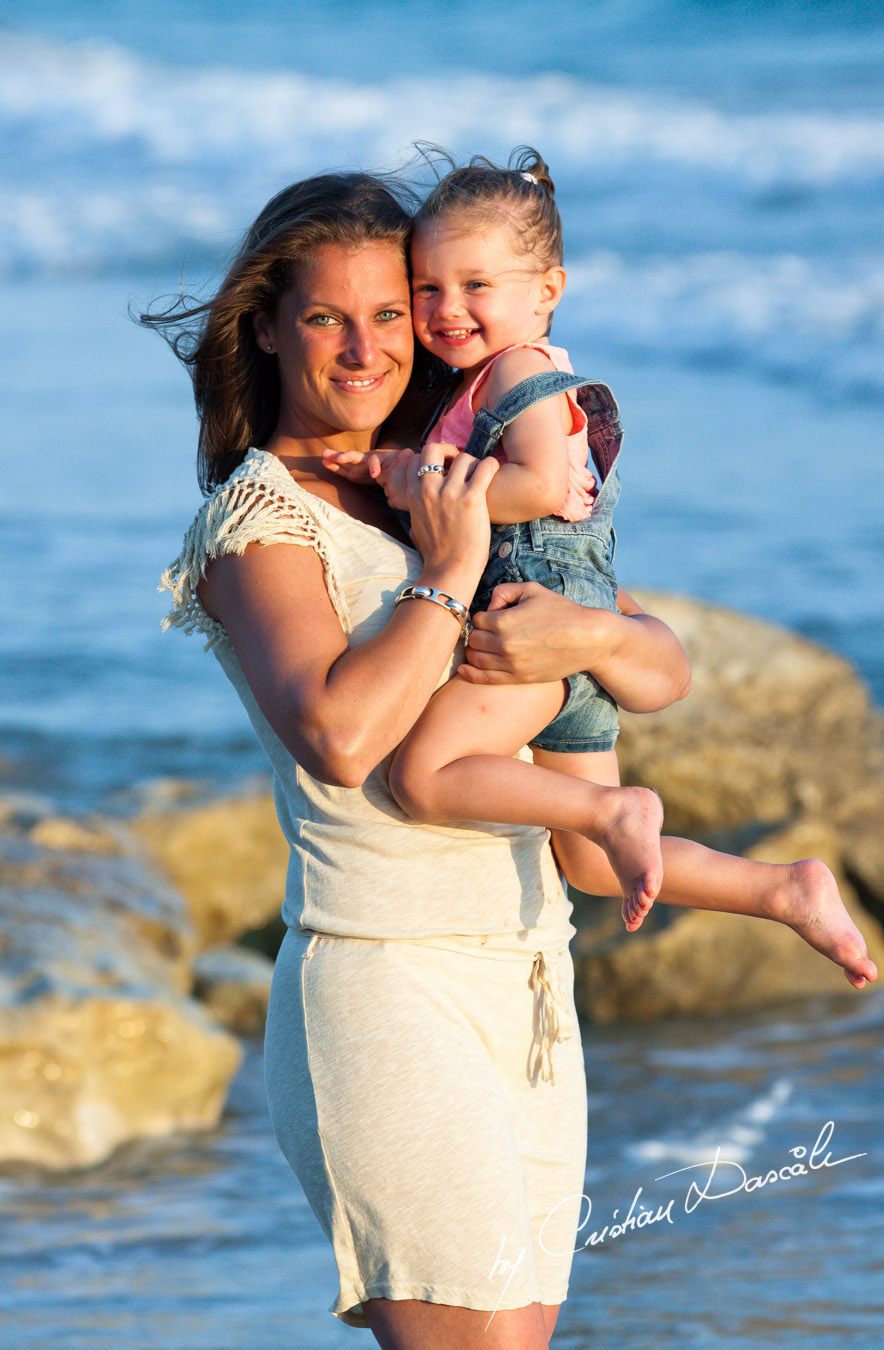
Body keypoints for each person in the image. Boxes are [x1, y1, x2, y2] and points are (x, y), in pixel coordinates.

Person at [149, 169, 875, 1348]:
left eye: (391, 313)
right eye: (327, 317)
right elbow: (341, 738)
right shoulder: (261, 516)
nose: (364, 348)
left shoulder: (452, 471)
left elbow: (660, 666)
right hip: (385, 979)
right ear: (269, 327)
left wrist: (584, 632)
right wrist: (448, 568)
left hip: (532, 976)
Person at [325, 148, 882, 958]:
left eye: (477, 285)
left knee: (421, 775)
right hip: (563, 627)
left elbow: (542, 486)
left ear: (546, 290)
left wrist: (421, 483)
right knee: (589, 866)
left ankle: (618, 814)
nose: (447, 308)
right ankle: (780, 889)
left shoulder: (520, 369)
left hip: (532, 619)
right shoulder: (470, 383)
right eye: (428, 288)